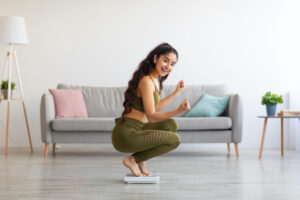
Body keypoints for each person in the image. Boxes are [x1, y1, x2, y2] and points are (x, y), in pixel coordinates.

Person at [111, 43, 191, 177]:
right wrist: (178, 110)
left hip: (138, 129)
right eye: (165, 60)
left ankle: (141, 159)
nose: (168, 67)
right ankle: (133, 160)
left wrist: (177, 92)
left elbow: (155, 107)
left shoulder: (155, 80)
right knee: (174, 140)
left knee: (170, 124)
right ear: (155, 59)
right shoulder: (146, 81)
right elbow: (152, 116)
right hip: (126, 135)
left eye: (172, 64)